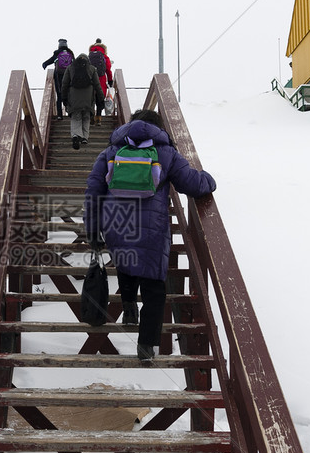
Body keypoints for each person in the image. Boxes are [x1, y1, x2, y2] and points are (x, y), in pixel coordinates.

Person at [84, 109, 216, 363]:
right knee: (155, 288)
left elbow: (93, 190)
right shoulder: (166, 153)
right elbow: (192, 184)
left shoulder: (111, 152)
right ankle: (146, 346)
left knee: (125, 261)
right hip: (152, 229)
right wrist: (209, 180)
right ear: (158, 127)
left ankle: (129, 307)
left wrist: (92, 227)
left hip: (115, 225)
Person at [61, 53, 104, 150]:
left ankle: (76, 135)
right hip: (88, 97)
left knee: (76, 117)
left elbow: (64, 84)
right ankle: (84, 137)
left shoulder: (70, 68)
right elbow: (97, 85)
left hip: (74, 97)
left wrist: (64, 98)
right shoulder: (92, 69)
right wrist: (101, 98)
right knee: (86, 117)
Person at [42, 39, 74, 117]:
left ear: (59, 45)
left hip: (58, 76)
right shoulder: (70, 54)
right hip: (69, 76)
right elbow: (75, 64)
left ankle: (59, 115)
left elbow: (49, 61)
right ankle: (71, 112)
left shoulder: (57, 54)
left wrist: (44, 64)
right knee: (69, 94)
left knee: (59, 95)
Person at [88, 39, 113, 105]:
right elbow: (108, 69)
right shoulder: (104, 56)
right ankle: (98, 114)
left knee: (91, 97)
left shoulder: (89, 56)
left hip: (90, 79)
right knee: (100, 96)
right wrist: (110, 80)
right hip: (101, 79)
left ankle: (91, 114)